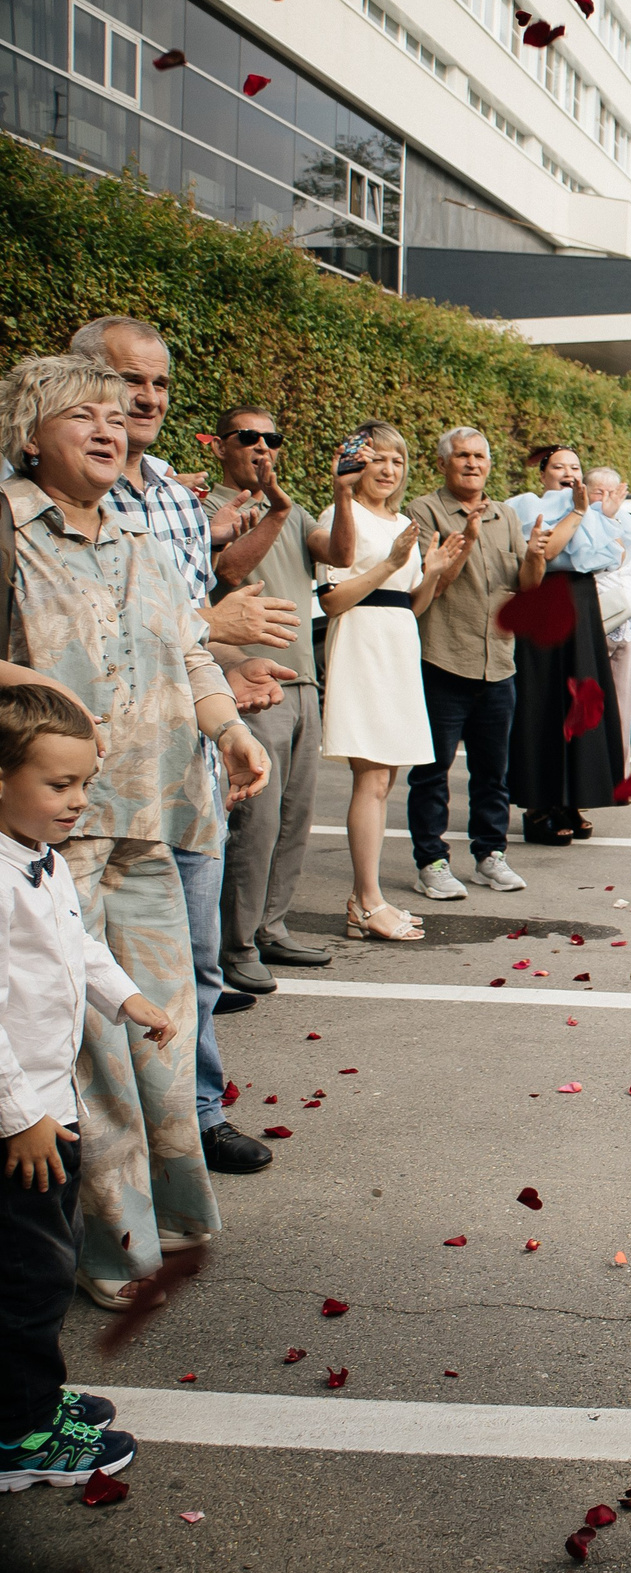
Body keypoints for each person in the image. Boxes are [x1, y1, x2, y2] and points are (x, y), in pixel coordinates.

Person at [1, 353, 268, 1308]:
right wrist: (35, 693)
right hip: (45, 837)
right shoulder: (8, 528)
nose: (112, 428)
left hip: (152, 818)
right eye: (85, 414)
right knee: (87, 1048)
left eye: (119, 414)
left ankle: (179, 1215)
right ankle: (112, 1247)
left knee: (160, 1022)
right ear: (32, 433)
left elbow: (189, 648)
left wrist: (229, 729)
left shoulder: (140, 536)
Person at [75, 316, 295, 1177]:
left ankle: (196, 1117)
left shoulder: (170, 491)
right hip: (97, 782)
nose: (146, 399)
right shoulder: (57, 495)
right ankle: (100, 1146)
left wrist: (232, 676)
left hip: (188, 765)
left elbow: (187, 632)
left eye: (160, 383)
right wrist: (213, 627)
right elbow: (100, 636)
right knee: (93, 974)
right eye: (130, 380)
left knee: (197, 963)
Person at [0, 684, 169, 1490]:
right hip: (18, 1120)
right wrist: (20, 1116)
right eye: (57, 785)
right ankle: (19, 1435)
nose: (77, 800)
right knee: (26, 1277)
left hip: (49, 1109)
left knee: (42, 1260)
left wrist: (126, 998)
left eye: (83, 783)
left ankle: (26, 1396)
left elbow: (79, 946)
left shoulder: (46, 860)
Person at [208, 407, 353, 996]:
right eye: (249, 437)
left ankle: (272, 926)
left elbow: (340, 553)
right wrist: (275, 508)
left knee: (294, 815)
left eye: (273, 438)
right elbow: (226, 570)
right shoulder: (207, 506)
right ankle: (235, 945)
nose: (263, 447)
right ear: (220, 446)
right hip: (246, 680)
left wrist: (341, 494)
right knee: (255, 821)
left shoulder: (286, 508)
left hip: (302, 680)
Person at [318, 425, 465, 943]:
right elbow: (333, 601)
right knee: (371, 779)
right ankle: (365, 901)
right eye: (377, 459)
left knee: (384, 781)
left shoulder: (403, 522)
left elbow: (414, 606)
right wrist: (390, 564)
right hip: (362, 644)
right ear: (355, 464)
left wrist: (433, 572)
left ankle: (367, 897)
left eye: (397, 461)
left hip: (399, 645)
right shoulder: (343, 516)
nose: (387, 470)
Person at [404, 428, 538, 901]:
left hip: (498, 661)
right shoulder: (424, 511)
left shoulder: (507, 514)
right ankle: (431, 861)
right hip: (444, 658)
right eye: (462, 456)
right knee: (432, 772)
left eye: (480, 456)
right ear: (444, 463)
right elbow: (430, 583)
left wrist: (537, 556)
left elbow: (525, 584)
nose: (472, 464)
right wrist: (468, 536)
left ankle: (490, 856)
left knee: (492, 773)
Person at [506, 446, 623, 846]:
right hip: (542, 599)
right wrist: (576, 513)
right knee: (542, 701)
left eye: (575, 466)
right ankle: (539, 805)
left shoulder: (588, 511)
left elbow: (611, 556)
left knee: (582, 696)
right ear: (543, 474)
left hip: (580, 601)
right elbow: (545, 551)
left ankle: (575, 798)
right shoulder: (526, 506)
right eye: (559, 466)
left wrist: (593, 515)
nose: (569, 472)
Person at [585, 467, 631, 769]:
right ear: (585, 491)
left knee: (622, 704)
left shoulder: (627, 522)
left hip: (625, 624)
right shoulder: (582, 522)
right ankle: (586, 776)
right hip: (592, 623)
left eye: (614, 492)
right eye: (599, 491)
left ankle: (618, 773)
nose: (607, 498)